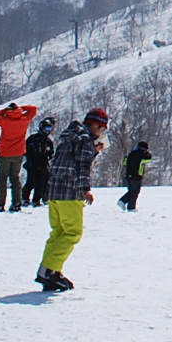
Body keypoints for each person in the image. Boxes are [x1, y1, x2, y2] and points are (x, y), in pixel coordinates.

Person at [37, 108, 108, 292]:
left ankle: (51, 269)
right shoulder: (85, 140)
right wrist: (85, 189)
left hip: (54, 191)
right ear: (95, 125)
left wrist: (94, 150)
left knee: (58, 232)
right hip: (70, 192)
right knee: (72, 232)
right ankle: (49, 269)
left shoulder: (69, 137)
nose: (101, 133)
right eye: (102, 129)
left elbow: (70, 160)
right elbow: (82, 166)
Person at [0, 102, 40, 212]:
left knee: (2, 179)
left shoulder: (5, 120)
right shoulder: (24, 119)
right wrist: (21, 109)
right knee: (15, 178)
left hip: (5, 153)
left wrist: (5, 111)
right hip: (19, 153)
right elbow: (34, 109)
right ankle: (17, 203)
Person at [24, 117, 56, 207]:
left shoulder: (48, 141)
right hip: (32, 164)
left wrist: (49, 159)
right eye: (46, 128)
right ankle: (25, 198)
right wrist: (29, 158)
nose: (48, 131)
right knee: (30, 182)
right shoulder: (33, 138)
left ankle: (38, 199)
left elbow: (51, 153)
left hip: (43, 164)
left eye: (49, 129)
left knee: (42, 182)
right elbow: (25, 150)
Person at [118, 140, 152, 211]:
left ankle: (126, 204)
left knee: (131, 191)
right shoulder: (143, 155)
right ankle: (128, 205)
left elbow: (125, 162)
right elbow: (148, 159)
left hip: (128, 175)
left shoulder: (131, 154)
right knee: (135, 191)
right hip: (137, 175)